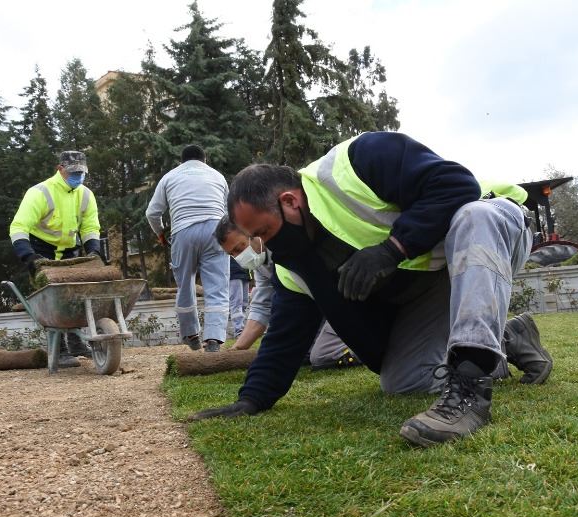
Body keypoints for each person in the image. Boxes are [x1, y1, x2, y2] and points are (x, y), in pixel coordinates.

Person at [190, 131, 553, 448]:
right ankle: (506, 340)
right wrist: (252, 399)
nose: (265, 245)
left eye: (265, 232)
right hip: (430, 279)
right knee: (403, 381)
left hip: (495, 227)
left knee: (475, 215)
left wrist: (392, 249)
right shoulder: (293, 263)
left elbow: (458, 186)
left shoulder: (358, 160)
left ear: (289, 201)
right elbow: (285, 335)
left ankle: (469, 392)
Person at [214, 215, 361, 370]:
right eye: (232, 254)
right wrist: (237, 349)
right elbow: (261, 307)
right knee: (299, 353)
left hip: (344, 301)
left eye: (239, 248)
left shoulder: (286, 247)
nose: (238, 257)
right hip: (321, 310)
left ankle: (370, 341)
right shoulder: (261, 263)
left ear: (254, 233)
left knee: (323, 355)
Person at [9, 150, 103, 367]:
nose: (78, 177)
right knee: (54, 301)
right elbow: (19, 226)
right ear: (60, 169)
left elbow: (90, 226)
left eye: (81, 173)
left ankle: (76, 343)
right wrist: (28, 256)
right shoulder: (39, 193)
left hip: (70, 252)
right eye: (73, 172)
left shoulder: (86, 195)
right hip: (41, 251)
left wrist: (94, 251)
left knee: (76, 296)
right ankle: (59, 350)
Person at [146, 145, 230, 352]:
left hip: (183, 232)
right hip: (215, 230)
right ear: (204, 160)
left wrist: (160, 233)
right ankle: (214, 339)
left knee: (185, 284)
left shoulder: (169, 177)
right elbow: (229, 211)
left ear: (181, 161)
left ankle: (191, 334)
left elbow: (152, 213)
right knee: (217, 286)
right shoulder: (217, 176)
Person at [228, 256, 250, 339]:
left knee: (244, 304)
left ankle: (242, 329)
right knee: (236, 303)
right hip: (233, 273)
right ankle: (238, 331)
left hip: (245, 273)